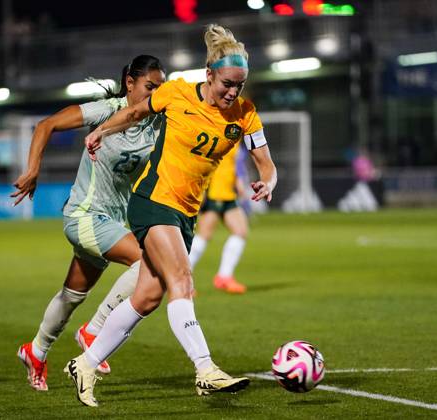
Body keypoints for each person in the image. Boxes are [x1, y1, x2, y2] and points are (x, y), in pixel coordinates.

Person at [64, 24, 277, 407]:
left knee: (146, 298)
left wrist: (268, 181)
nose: (233, 92)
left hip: (185, 214)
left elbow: (266, 162)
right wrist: (102, 132)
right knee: (183, 279)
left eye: (240, 85)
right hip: (152, 200)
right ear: (209, 75)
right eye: (227, 83)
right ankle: (206, 370)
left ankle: (86, 362)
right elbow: (134, 112)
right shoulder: (176, 93)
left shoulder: (245, 114)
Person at [11, 55, 166, 391]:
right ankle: (95, 330)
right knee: (150, 259)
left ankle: (35, 351)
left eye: (159, 89)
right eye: (149, 87)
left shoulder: (156, 123)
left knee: (72, 295)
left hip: (111, 220)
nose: (155, 94)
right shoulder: (107, 110)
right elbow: (45, 125)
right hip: (83, 214)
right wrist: (33, 168)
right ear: (130, 84)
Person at [188, 143, 250, 294]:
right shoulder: (220, 132)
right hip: (214, 193)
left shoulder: (238, 141)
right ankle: (180, 279)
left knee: (240, 231)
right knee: (203, 236)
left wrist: (239, 184)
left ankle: (224, 277)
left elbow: (234, 165)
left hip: (228, 194)